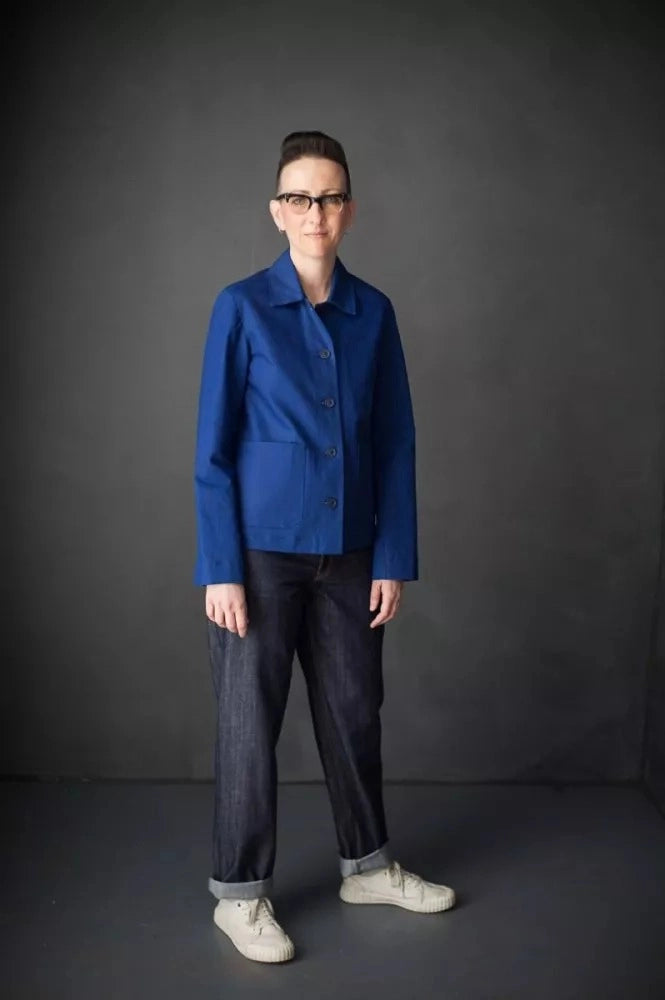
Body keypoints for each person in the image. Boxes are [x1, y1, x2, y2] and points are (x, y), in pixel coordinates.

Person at [193, 130, 456, 964]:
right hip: (258, 556)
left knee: (353, 712)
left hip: (349, 551)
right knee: (248, 724)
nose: (316, 212)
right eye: (300, 198)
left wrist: (392, 556)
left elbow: (396, 442)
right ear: (277, 211)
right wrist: (220, 569)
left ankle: (366, 865)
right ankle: (240, 895)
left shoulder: (372, 311)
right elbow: (211, 450)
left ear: (349, 209)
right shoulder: (240, 307)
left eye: (331, 197)